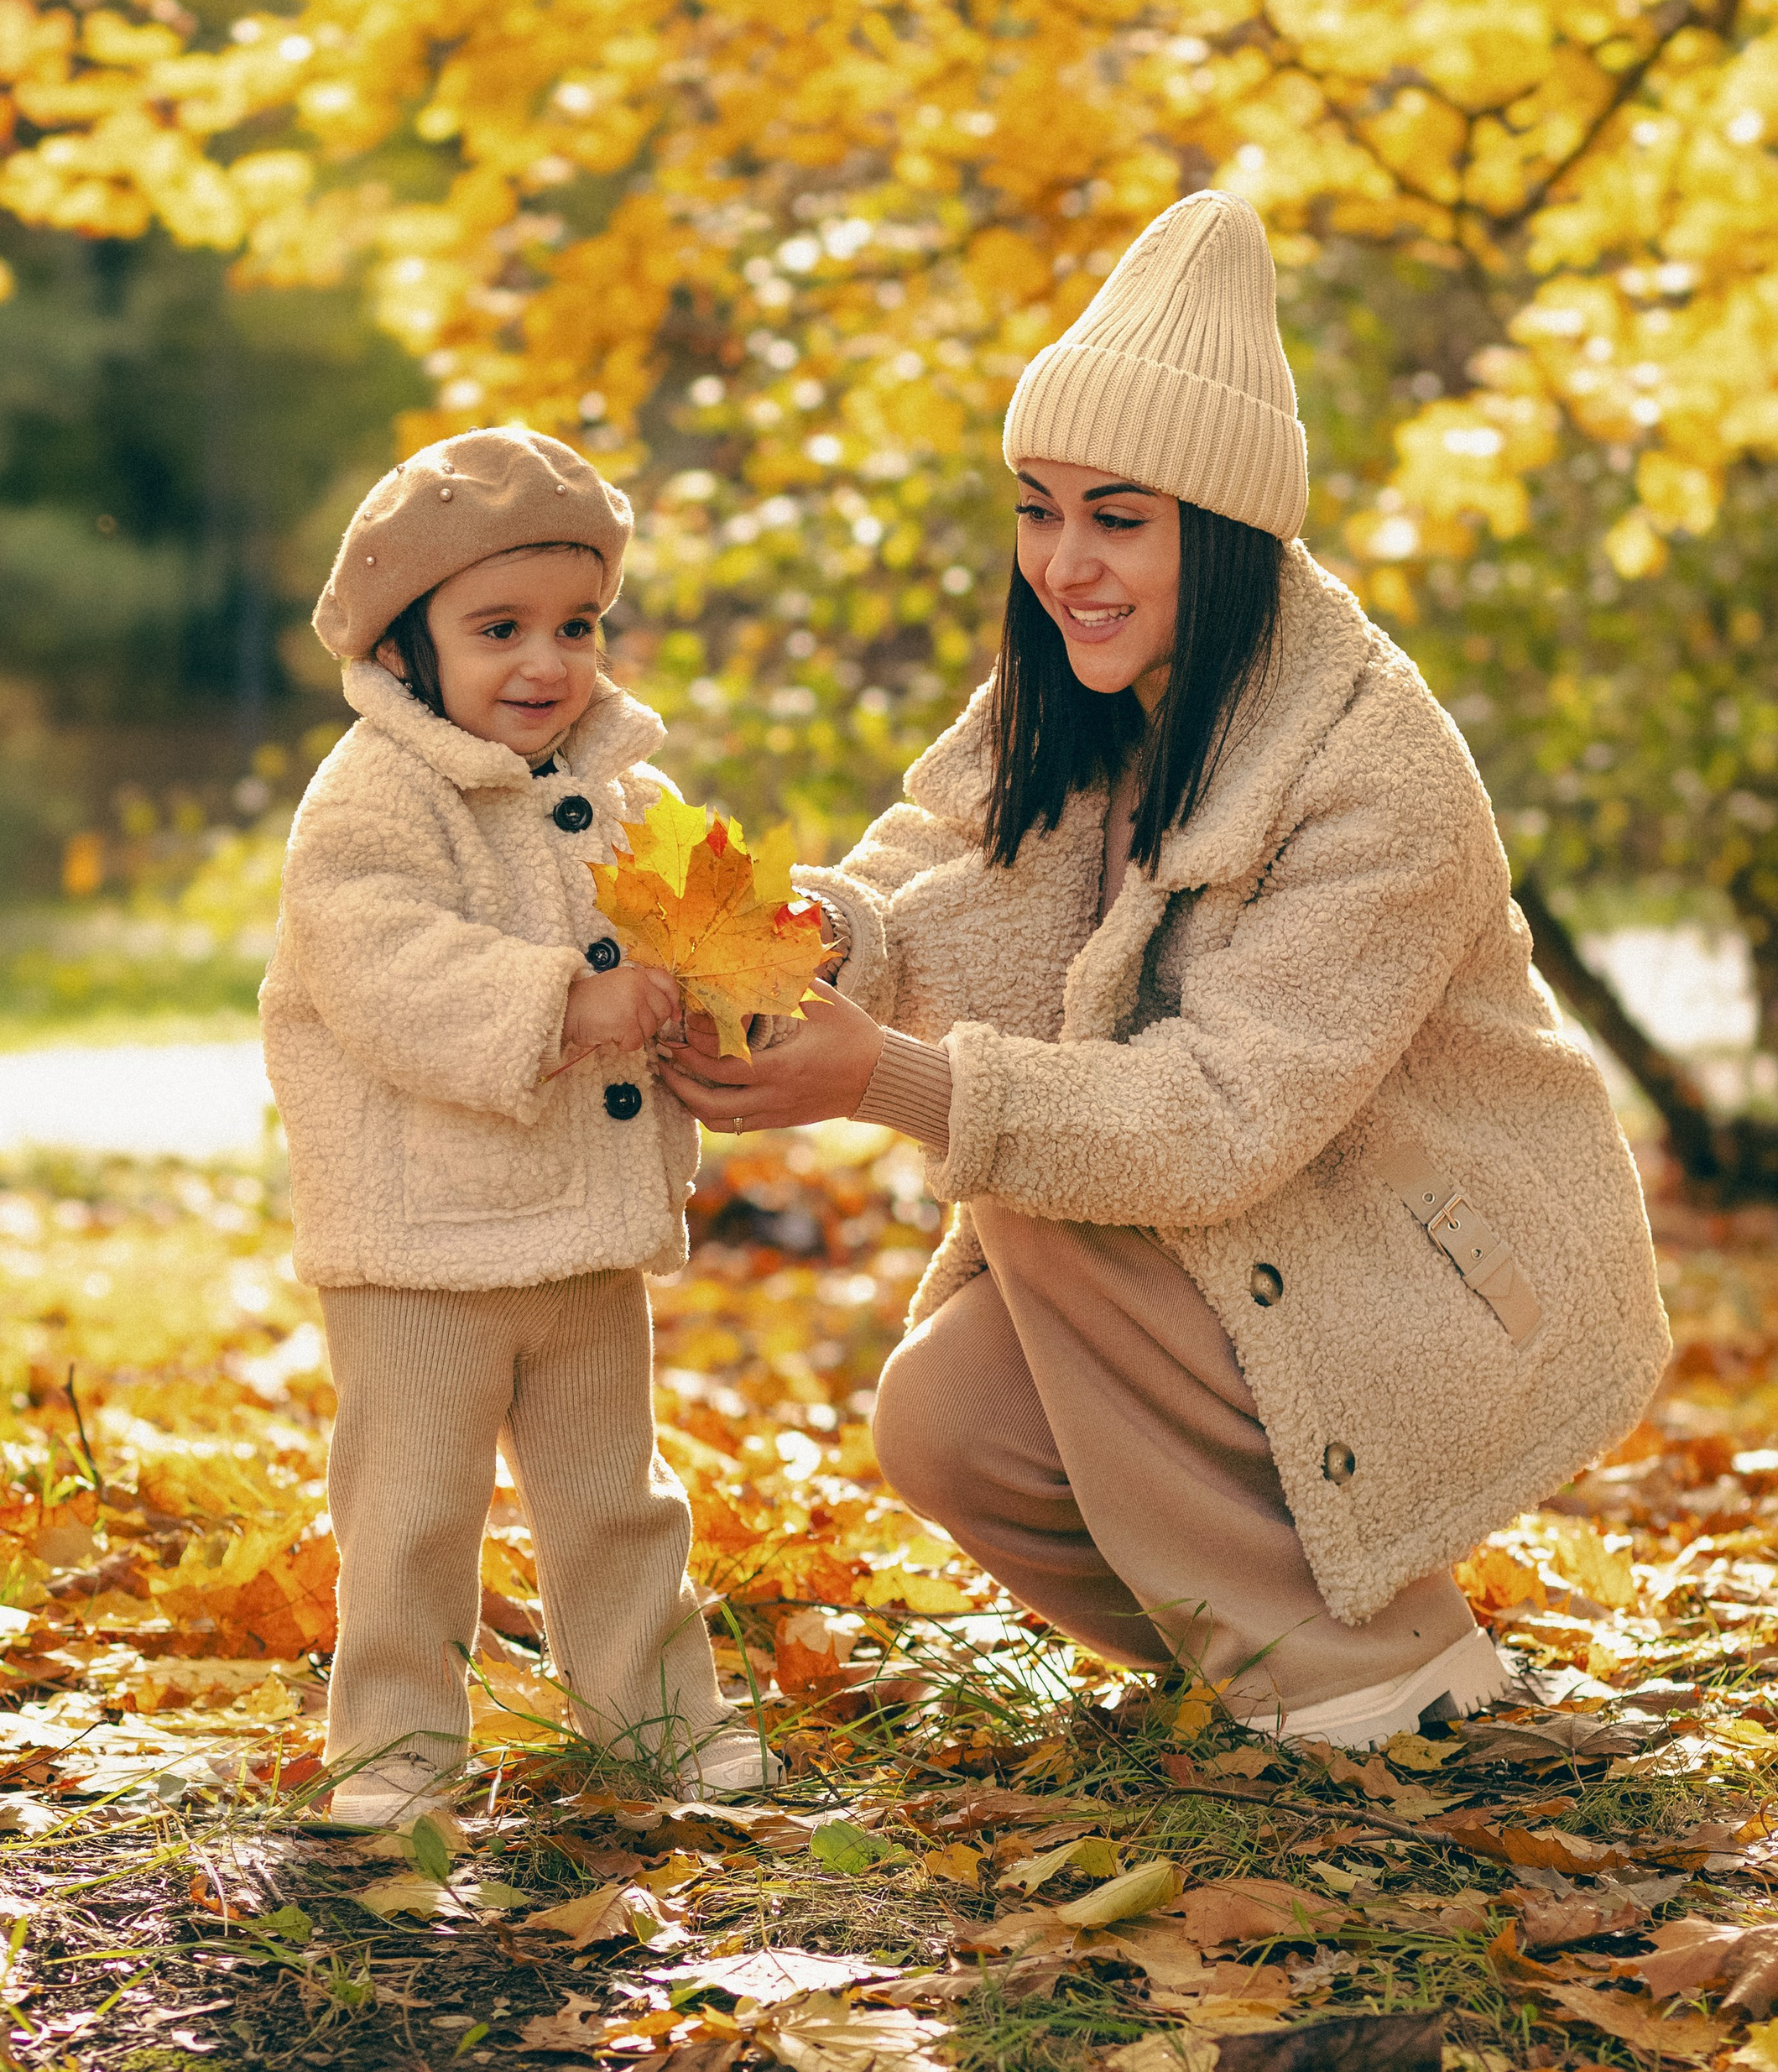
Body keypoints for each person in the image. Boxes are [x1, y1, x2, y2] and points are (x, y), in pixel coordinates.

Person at [660, 190, 1668, 1751]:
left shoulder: (1374, 764)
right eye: (1037, 509)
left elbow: (1216, 1119)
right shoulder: (1092, 683)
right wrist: (808, 940)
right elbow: (942, 866)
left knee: (1036, 1173)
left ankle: (1387, 1680)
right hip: (1264, 1256)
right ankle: (1296, 1658)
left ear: (1225, 528)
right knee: (946, 1421)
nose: (1064, 563)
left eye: (1117, 518)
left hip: (1444, 1283)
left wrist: (888, 1079)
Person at [262, 426, 761, 1826]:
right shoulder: (373, 796)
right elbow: (385, 971)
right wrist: (568, 1001)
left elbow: (686, 931)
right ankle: (395, 1745)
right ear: (406, 645)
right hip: (421, 1242)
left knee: (616, 1501)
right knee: (412, 1511)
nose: (547, 662)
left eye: (576, 624)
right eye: (499, 629)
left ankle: (660, 1722)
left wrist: (717, 986)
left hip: (587, 1227)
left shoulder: (626, 794)